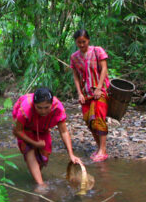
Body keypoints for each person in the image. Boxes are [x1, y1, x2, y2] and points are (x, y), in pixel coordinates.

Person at [12, 87, 82, 186]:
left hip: (42, 128)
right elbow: (18, 131)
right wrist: (35, 143)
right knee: (29, 150)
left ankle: (35, 176)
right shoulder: (25, 108)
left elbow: (64, 132)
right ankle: (40, 185)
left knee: (44, 154)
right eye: (39, 108)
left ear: (51, 104)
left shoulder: (57, 107)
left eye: (46, 107)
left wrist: (71, 154)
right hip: (26, 127)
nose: (43, 111)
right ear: (34, 105)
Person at [70, 29, 110, 162]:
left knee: (99, 119)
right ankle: (99, 148)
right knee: (89, 121)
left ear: (88, 40)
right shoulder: (74, 57)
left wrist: (99, 88)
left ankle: (103, 150)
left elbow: (104, 68)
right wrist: (79, 93)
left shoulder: (97, 51)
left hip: (99, 91)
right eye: (79, 42)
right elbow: (76, 76)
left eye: (84, 42)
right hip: (86, 94)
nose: (82, 45)